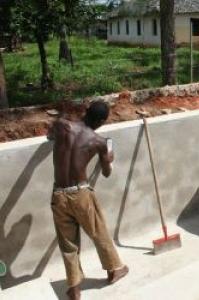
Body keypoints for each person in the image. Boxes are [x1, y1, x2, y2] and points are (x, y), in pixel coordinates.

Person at [47, 101, 129, 300]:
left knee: (68, 244)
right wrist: (108, 159)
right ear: (102, 121)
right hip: (81, 194)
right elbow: (107, 173)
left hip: (59, 194)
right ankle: (113, 271)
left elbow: (50, 134)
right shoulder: (99, 142)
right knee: (98, 232)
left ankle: (74, 289)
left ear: (85, 111)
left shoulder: (62, 126)